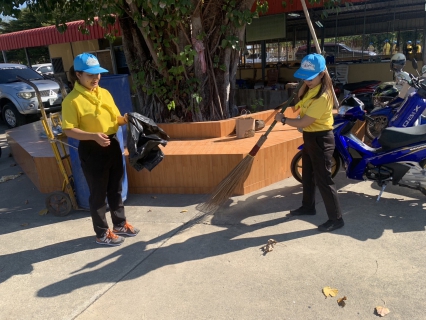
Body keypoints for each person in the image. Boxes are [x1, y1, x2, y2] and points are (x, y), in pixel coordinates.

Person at [62, 53, 139, 246]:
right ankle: (102, 233)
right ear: (78, 75)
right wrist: (93, 136)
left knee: (116, 189)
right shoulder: (71, 101)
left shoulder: (104, 93)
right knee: (98, 193)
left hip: (112, 145)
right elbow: (68, 129)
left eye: (98, 74)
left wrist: (126, 119)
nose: (95, 78)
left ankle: (120, 225)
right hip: (92, 149)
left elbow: (115, 119)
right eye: (90, 74)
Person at [274, 53, 344, 232]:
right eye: (304, 77)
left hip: (321, 139)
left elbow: (304, 122)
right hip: (310, 138)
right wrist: (300, 90)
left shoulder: (323, 96)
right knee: (307, 175)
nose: (307, 81)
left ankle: (336, 219)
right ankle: (308, 206)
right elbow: (300, 105)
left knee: (324, 180)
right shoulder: (310, 89)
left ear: (322, 74)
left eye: (311, 77)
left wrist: (283, 120)